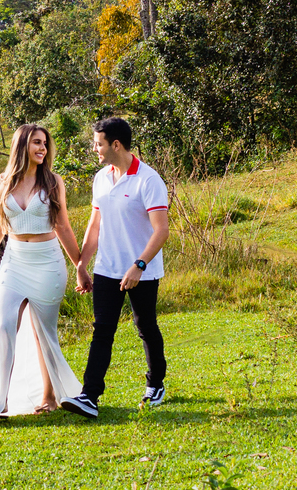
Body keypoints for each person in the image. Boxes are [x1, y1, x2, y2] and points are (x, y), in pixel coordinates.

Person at [60, 116, 170, 420]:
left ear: (115, 145)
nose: (95, 148)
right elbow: (95, 225)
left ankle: (156, 384)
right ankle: (89, 396)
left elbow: (161, 231)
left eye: (99, 143)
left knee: (145, 326)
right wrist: (82, 264)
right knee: (103, 330)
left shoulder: (149, 180)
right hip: (107, 268)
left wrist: (139, 265)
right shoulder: (101, 178)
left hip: (141, 270)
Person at [0, 123, 83, 423]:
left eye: (45, 144)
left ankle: (49, 397)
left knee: (43, 333)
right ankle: (2, 401)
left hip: (47, 263)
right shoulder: (2, 182)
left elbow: (63, 226)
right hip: (14, 261)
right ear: (22, 145)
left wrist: (80, 266)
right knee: (4, 327)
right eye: (36, 143)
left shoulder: (53, 181)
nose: (42, 149)